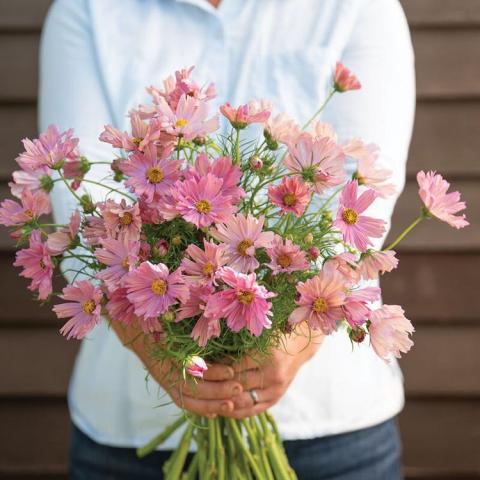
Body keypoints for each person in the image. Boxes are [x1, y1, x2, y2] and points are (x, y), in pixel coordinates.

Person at [39, 0, 415, 478]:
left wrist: (297, 337)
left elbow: (360, 204)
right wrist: (153, 346)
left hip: (331, 429)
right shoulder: (88, 9)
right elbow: (79, 200)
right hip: (129, 434)